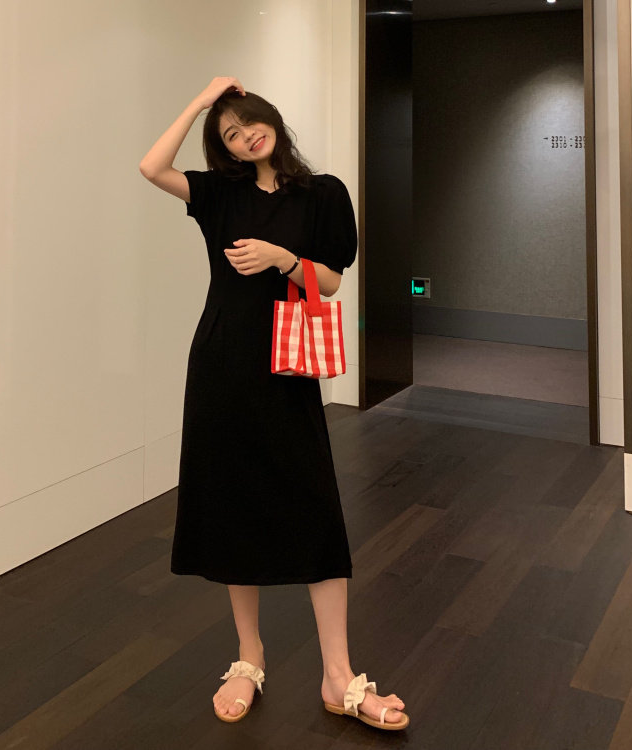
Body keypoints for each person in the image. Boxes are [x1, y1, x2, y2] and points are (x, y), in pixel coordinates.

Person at [139, 76, 409, 731]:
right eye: (229, 134)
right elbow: (152, 166)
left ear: (273, 119)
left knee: (315, 506)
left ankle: (338, 674)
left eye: (248, 122)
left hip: (286, 368)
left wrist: (282, 257)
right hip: (222, 364)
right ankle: (248, 658)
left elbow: (331, 281)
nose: (244, 136)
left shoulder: (323, 193)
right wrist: (200, 102)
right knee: (234, 503)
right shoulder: (220, 193)